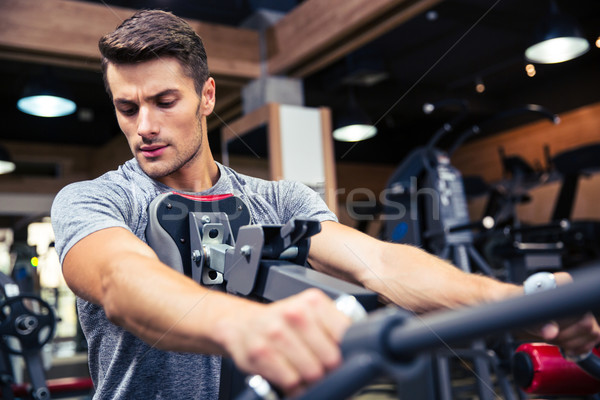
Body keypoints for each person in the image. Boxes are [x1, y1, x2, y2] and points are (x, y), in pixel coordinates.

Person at [50, 9, 600, 400]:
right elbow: (120, 280)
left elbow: (379, 263)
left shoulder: (278, 200)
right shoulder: (95, 199)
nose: (143, 126)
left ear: (207, 97)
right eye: (127, 108)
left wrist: (519, 305)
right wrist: (241, 326)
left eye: (164, 101)